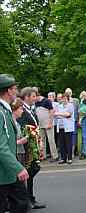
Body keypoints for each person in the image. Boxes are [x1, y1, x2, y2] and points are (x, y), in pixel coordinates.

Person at [0, 74, 29, 213]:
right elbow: (1, 146)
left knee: (21, 202)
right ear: (8, 91)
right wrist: (17, 167)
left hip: (8, 171)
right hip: (5, 172)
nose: (17, 92)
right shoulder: (1, 112)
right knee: (20, 203)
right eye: (15, 88)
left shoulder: (5, 110)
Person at [17, 87, 46, 209]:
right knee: (29, 171)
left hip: (33, 143)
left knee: (33, 170)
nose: (35, 98)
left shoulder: (30, 109)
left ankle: (29, 198)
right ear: (27, 97)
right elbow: (24, 128)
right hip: (27, 146)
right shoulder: (22, 109)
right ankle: (27, 199)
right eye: (33, 96)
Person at [35, 88, 58, 162]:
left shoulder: (47, 101)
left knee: (51, 140)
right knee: (41, 141)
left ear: (37, 95)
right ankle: (43, 156)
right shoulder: (35, 102)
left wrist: (50, 123)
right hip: (40, 124)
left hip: (48, 123)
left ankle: (55, 156)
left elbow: (52, 112)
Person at [55, 94, 75, 164]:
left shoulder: (70, 105)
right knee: (61, 144)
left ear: (68, 99)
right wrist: (62, 114)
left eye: (65, 99)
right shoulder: (59, 106)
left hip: (68, 127)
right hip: (60, 127)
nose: (64, 100)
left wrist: (59, 114)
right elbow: (55, 115)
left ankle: (69, 158)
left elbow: (68, 114)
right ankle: (63, 158)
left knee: (68, 143)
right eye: (63, 99)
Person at [65, 88, 80, 156]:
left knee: (74, 136)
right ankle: (68, 152)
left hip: (74, 121)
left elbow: (78, 110)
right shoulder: (64, 100)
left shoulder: (76, 100)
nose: (68, 94)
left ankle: (73, 151)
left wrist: (79, 120)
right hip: (66, 121)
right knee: (68, 136)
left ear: (71, 93)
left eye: (69, 92)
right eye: (67, 92)